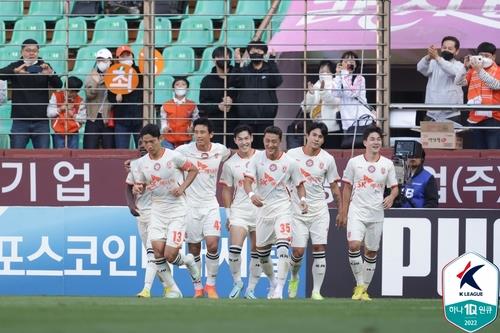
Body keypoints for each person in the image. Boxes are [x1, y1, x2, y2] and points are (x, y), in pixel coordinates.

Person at [131, 124, 200, 297]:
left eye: (151, 141)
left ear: (160, 139)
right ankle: (173, 290)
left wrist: (183, 187)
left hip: (177, 209)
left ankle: (188, 261)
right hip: (157, 209)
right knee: (157, 252)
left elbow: (193, 169)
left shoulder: (174, 157)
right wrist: (138, 189)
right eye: (145, 142)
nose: (148, 146)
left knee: (170, 255)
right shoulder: (141, 163)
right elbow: (141, 184)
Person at [243, 126, 307, 299]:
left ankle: (279, 288)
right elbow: (247, 182)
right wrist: (251, 194)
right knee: (262, 253)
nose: (270, 145)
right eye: (267, 141)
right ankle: (272, 283)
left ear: (280, 142)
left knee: (283, 247)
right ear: (263, 140)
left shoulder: (290, 163)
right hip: (263, 211)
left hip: (283, 209)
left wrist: (302, 201)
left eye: (274, 141)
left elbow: (300, 185)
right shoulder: (256, 159)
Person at [339, 126, 398, 301]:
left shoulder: (387, 164)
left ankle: (363, 290)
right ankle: (359, 285)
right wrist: (343, 211)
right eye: (372, 139)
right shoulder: (354, 162)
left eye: (378, 139)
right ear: (365, 142)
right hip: (357, 211)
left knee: (371, 252)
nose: (376, 142)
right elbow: (347, 187)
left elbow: (394, 188)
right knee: (354, 245)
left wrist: (392, 197)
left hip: (376, 213)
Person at [175, 118, 232, 298]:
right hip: (190, 207)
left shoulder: (219, 150)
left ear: (211, 134)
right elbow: (164, 158)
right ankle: (197, 287)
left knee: (213, 245)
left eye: (202, 132)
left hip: (210, 205)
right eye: (196, 132)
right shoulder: (183, 151)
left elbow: (234, 154)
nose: (198, 136)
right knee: (193, 249)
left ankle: (211, 286)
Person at [286, 122, 343, 300]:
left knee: (319, 248)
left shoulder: (328, 159)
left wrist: (341, 211)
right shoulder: (292, 155)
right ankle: (294, 278)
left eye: (320, 137)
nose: (317, 139)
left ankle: (316, 291)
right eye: (314, 135)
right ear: (307, 135)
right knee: (298, 252)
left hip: (319, 210)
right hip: (297, 211)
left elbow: (334, 187)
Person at [125, 137, 182, 298]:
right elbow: (128, 188)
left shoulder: (166, 163)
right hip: (142, 214)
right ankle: (170, 287)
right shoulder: (136, 166)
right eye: (141, 144)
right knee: (158, 256)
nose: (145, 146)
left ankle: (146, 289)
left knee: (152, 254)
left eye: (148, 143)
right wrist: (131, 205)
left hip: (158, 213)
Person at [219, 125, 262, 299]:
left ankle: (251, 288)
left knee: (258, 252)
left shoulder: (263, 157)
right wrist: (228, 215)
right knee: (235, 249)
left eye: (246, 138)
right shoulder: (229, 164)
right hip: (239, 212)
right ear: (235, 141)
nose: (244, 142)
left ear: (251, 138)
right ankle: (237, 282)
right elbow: (227, 190)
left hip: (261, 212)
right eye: (240, 139)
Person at [0, 38, 63, 149]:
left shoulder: (45, 66)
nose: (31, 53)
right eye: (28, 50)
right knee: (16, 156)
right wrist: (15, 72)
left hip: (41, 121)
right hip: (20, 120)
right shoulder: (16, 65)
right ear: (22, 52)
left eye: (34, 50)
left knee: (43, 157)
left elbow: (59, 85)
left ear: (38, 52)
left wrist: (50, 74)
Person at [231, 41, 283, 149]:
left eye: (259, 50)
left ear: (264, 53)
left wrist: (272, 61)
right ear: (249, 53)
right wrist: (237, 64)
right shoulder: (244, 70)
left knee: (265, 148)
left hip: (266, 119)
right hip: (246, 119)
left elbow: (277, 81)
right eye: (253, 51)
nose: (256, 53)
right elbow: (234, 82)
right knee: (247, 149)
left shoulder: (269, 69)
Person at [456, 42, 500, 149]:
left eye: (487, 56)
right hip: (475, 117)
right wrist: (464, 68)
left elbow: (496, 85)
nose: (483, 59)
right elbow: (459, 82)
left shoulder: (498, 70)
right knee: (478, 152)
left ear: (493, 57)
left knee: (492, 152)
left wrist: (479, 70)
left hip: (494, 118)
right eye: (481, 56)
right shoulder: (472, 70)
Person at [417, 36, 464, 124]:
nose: (446, 50)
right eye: (444, 48)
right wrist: (428, 56)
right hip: (431, 113)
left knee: (451, 138)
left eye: (450, 48)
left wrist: (438, 58)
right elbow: (420, 68)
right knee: (429, 138)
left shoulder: (460, 66)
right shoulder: (433, 63)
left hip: (451, 115)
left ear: (457, 51)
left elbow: (452, 71)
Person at [333, 51, 374, 143]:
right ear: (341, 64)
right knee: (349, 145)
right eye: (346, 60)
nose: (349, 63)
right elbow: (335, 93)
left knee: (362, 145)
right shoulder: (340, 77)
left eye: (352, 61)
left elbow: (352, 93)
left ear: (356, 65)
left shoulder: (359, 78)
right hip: (347, 121)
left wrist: (344, 74)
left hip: (362, 120)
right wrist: (337, 75)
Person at [199, 46, 238, 145]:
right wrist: (218, 107)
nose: (223, 59)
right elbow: (203, 104)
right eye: (220, 57)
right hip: (215, 126)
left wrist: (233, 101)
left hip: (236, 124)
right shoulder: (207, 80)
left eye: (226, 56)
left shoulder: (238, 77)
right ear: (214, 60)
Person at [108, 45, 143, 149]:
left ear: (132, 56)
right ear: (118, 59)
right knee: (121, 150)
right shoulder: (113, 73)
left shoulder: (140, 71)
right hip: (121, 118)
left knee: (142, 149)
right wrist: (116, 98)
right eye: (122, 56)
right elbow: (110, 97)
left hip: (139, 117)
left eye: (128, 55)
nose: (126, 58)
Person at [302, 61, 342, 148]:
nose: (324, 74)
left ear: (332, 73)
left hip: (332, 129)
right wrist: (311, 94)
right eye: (321, 71)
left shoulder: (336, 85)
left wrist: (323, 92)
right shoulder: (315, 87)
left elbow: (334, 102)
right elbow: (305, 108)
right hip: (315, 130)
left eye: (327, 72)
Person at [83, 48, 115, 149]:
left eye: (104, 60)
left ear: (110, 61)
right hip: (93, 118)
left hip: (108, 118)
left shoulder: (116, 76)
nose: (101, 63)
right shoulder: (91, 75)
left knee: (109, 148)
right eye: (99, 60)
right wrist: (96, 82)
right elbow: (89, 94)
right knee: (89, 148)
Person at [47, 76, 86, 149]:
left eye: (73, 92)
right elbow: (49, 113)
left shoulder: (80, 101)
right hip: (58, 133)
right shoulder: (56, 96)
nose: (69, 93)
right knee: (58, 157)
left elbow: (83, 119)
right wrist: (61, 109)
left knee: (73, 157)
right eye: (68, 90)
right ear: (65, 87)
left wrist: (73, 115)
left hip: (74, 133)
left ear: (77, 91)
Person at [160, 77, 199, 149]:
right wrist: (164, 128)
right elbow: (163, 120)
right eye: (177, 84)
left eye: (183, 84)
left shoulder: (192, 105)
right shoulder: (166, 105)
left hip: (186, 140)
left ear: (187, 89)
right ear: (173, 89)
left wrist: (192, 128)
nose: (180, 86)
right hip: (169, 140)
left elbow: (195, 119)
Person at [397, 142, 438, 208]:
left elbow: (432, 203)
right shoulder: (397, 175)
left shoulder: (428, 178)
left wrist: (420, 214)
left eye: (416, 156)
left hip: (418, 217)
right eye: (410, 156)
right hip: (397, 216)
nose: (413, 158)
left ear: (422, 159)